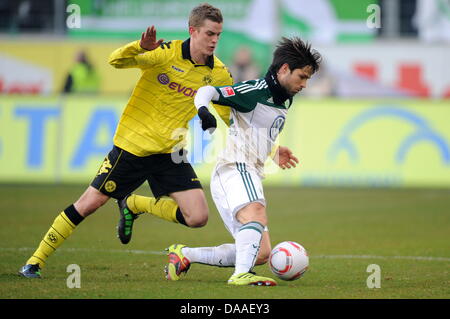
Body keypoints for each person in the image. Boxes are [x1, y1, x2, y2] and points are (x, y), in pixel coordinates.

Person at [19, 3, 233, 278]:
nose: (215, 40)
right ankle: (34, 261)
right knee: (89, 203)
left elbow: (230, 115)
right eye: (209, 34)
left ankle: (134, 204)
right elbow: (115, 61)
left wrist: (267, 145)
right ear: (192, 31)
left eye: (218, 35)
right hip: (132, 148)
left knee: (198, 217)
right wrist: (140, 48)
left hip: (169, 152)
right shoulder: (164, 53)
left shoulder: (219, 73)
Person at [165, 37, 321, 286]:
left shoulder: (284, 98)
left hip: (250, 171)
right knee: (256, 214)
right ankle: (240, 275)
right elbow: (206, 91)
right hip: (235, 167)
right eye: (302, 76)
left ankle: (184, 255)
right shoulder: (254, 91)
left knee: (261, 253)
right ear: (283, 69)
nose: (304, 84)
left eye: (307, 79)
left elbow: (255, 129)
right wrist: (203, 110)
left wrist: (273, 150)